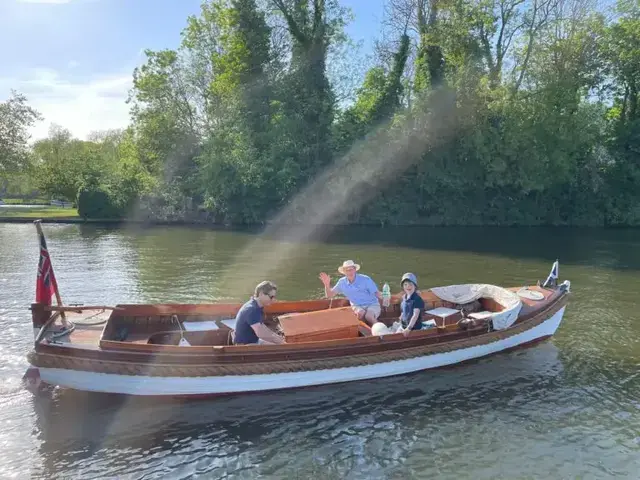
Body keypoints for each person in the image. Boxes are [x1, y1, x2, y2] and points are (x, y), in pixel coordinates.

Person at [319, 260, 382, 326]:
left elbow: (376, 293)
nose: (349, 272)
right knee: (360, 314)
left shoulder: (366, 279)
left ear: (355, 270)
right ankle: (365, 329)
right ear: (344, 272)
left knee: (369, 316)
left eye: (351, 269)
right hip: (357, 305)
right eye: (347, 270)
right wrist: (327, 285)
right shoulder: (342, 282)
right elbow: (329, 296)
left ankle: (380, 331)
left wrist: (385, 296)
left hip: (372, 304)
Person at [233, 281, 285, 345]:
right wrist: (279, 341)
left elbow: (262, 327)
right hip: (245, 345)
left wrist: (277, 337)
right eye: (271, 297)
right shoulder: (252, 309)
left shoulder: (257, 306)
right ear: (261, 294)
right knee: (280, 348)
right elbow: (260, 333)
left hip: (254, 340)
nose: (273, 300)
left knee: (278, 344)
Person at [399, 272, 425, 337]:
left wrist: (409, 328)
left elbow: (415, 315)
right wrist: (401, 318)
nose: (408, 286)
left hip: (414, 329)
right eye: (405, 285)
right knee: (393, 336)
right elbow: (403, 311)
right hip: (404, 326)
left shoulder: (417, 299)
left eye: (410, 284)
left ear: (415, 286)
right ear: (403, 287)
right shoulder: (404, 297)